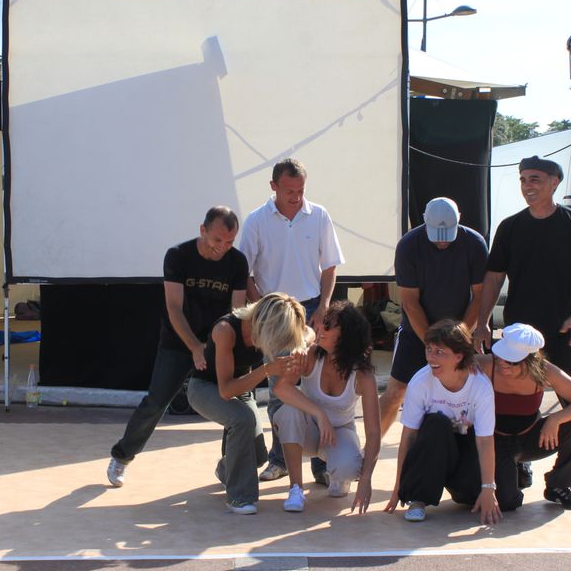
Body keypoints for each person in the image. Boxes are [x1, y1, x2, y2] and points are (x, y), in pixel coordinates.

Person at [473, 155, 571, 499]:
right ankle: (517, 462)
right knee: (509, 397)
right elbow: (493, 278)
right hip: (519, 335)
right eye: (523, 180)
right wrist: (483, 323)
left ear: (554, 183)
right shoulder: (510, 227)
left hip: (564, 332)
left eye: (534, 179)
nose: (527, 186)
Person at [107, 207, 248, 487]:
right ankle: (122, 456)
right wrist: (195, 347)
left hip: (218, 340)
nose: (223, 247)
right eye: (217, 240)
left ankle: (229, 466)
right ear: (203, 230)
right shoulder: (178, 255)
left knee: (233, 402)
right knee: (156, 402)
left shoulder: (237, 262)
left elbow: (237, 310)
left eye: (230, 241)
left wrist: (217, 344)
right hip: (178, 341)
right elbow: (173, 307)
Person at [239, 157, 345, 483]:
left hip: (312, 309)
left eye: (300, 190)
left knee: (314, 387)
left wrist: (324, 306)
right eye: (289, 191)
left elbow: (330, 266)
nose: (296, 197)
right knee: (278, 390)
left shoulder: (320, 216)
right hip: (275, 315)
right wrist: (263, 310)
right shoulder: (256, 220)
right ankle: (279, 459)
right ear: (273, 187)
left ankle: (321, 465)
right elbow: (244, 271)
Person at [186, 293, 309, 515]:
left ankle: (226, 469)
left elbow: (307, 333)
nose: (279, 344)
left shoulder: (268, 330)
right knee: (243, 419)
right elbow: (225, 391)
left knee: (257, 456)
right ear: (265, 324)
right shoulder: (225, 330)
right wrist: (267, 370)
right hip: (205, 388)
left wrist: (301, 346)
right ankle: (240, 498)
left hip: (241, 388)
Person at [378, 197, 487, 436]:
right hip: (417, 331)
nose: (441, 242)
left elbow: (479, 297)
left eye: (447, 234)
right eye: (436, 235)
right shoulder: (408, 245)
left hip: (460, 332)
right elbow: (410, 301)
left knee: (474, 390)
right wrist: (432, 343)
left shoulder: (475, 243)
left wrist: (459, 336)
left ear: (459, 221)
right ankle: (369, 452)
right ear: (425, 223)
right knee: (396, 391)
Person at [383, 320, 501, 525]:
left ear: (459, 355)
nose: (431, 357)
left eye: (440, 352)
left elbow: (485, 441)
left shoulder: (480, 385)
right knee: (436, 423)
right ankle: (418, 498)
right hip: (433, 449)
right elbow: (408, 436)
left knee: (506, 499)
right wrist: (398, 488)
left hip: (465, 448)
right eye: (429, 350)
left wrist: (488, 488)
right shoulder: (420, 382)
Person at [272, 301, 381, 513]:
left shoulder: (363, 375)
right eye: (323, 323)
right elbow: (281, 389)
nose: (321, 328)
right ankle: (296, 489)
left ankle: (340, 476)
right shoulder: (310, 354)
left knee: (348, 468)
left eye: (329, 325)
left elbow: (374, 433)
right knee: (288, 413)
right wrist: (319, 414)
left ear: (346, 335)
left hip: (339, 433)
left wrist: (366, 479)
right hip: (310, 431)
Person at [478, 323, 571, 511]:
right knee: (508, 503)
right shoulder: (486, 364)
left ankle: (559, 484)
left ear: (530, 360)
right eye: (500, 356)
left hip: (531, 437)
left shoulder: (544, 370)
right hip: (496, 442)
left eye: (512, 361)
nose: (502, 363)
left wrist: (555, 419)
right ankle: (516, 469)